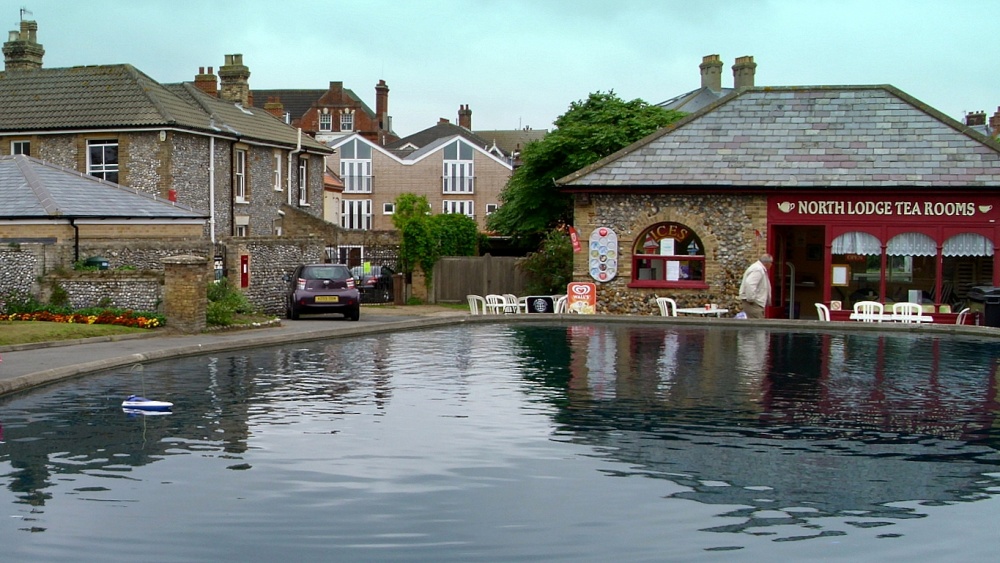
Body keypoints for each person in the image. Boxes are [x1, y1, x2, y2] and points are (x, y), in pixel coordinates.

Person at [739, 254, 773, 319]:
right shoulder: (758, 269)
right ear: (767, 263)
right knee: (758, 326)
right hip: (754, 304)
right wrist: (751, 299)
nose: (771, 265)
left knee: (757, 325)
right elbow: (750, 284)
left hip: (755, 303)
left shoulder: (759, 268)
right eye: (771, 263)